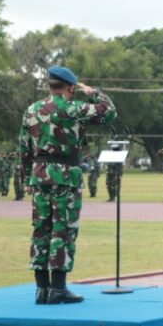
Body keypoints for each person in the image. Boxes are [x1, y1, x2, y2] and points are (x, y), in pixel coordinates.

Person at [19, 66, 116, 304]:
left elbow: (24, 147)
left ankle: (41, 290)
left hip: (40, 175)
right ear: (70, 87)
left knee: (41, 229)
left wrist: (27, 178)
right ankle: (58, 289)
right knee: (63, 230)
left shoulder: (31, 110)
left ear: (50, 85)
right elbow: (109, 112)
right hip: (66, 176)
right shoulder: (74, 108)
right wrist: (93, 93)